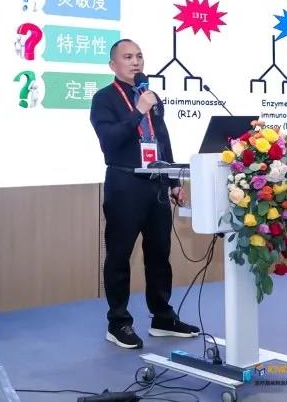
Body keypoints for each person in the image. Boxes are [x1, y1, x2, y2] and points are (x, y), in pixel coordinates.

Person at [90, 39, 200, 349]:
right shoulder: (104, 99)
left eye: (139, 56)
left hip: (156, 183)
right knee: (119, 255)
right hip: (124, 184)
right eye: (127, 57)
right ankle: (118, 323)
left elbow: (162, 139)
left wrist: (174, 181)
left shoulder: (151, 97)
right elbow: (110, 141)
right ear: (113, 65)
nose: (135, 62)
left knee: (159, 254)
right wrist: (138, 111)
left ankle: (162, 318)